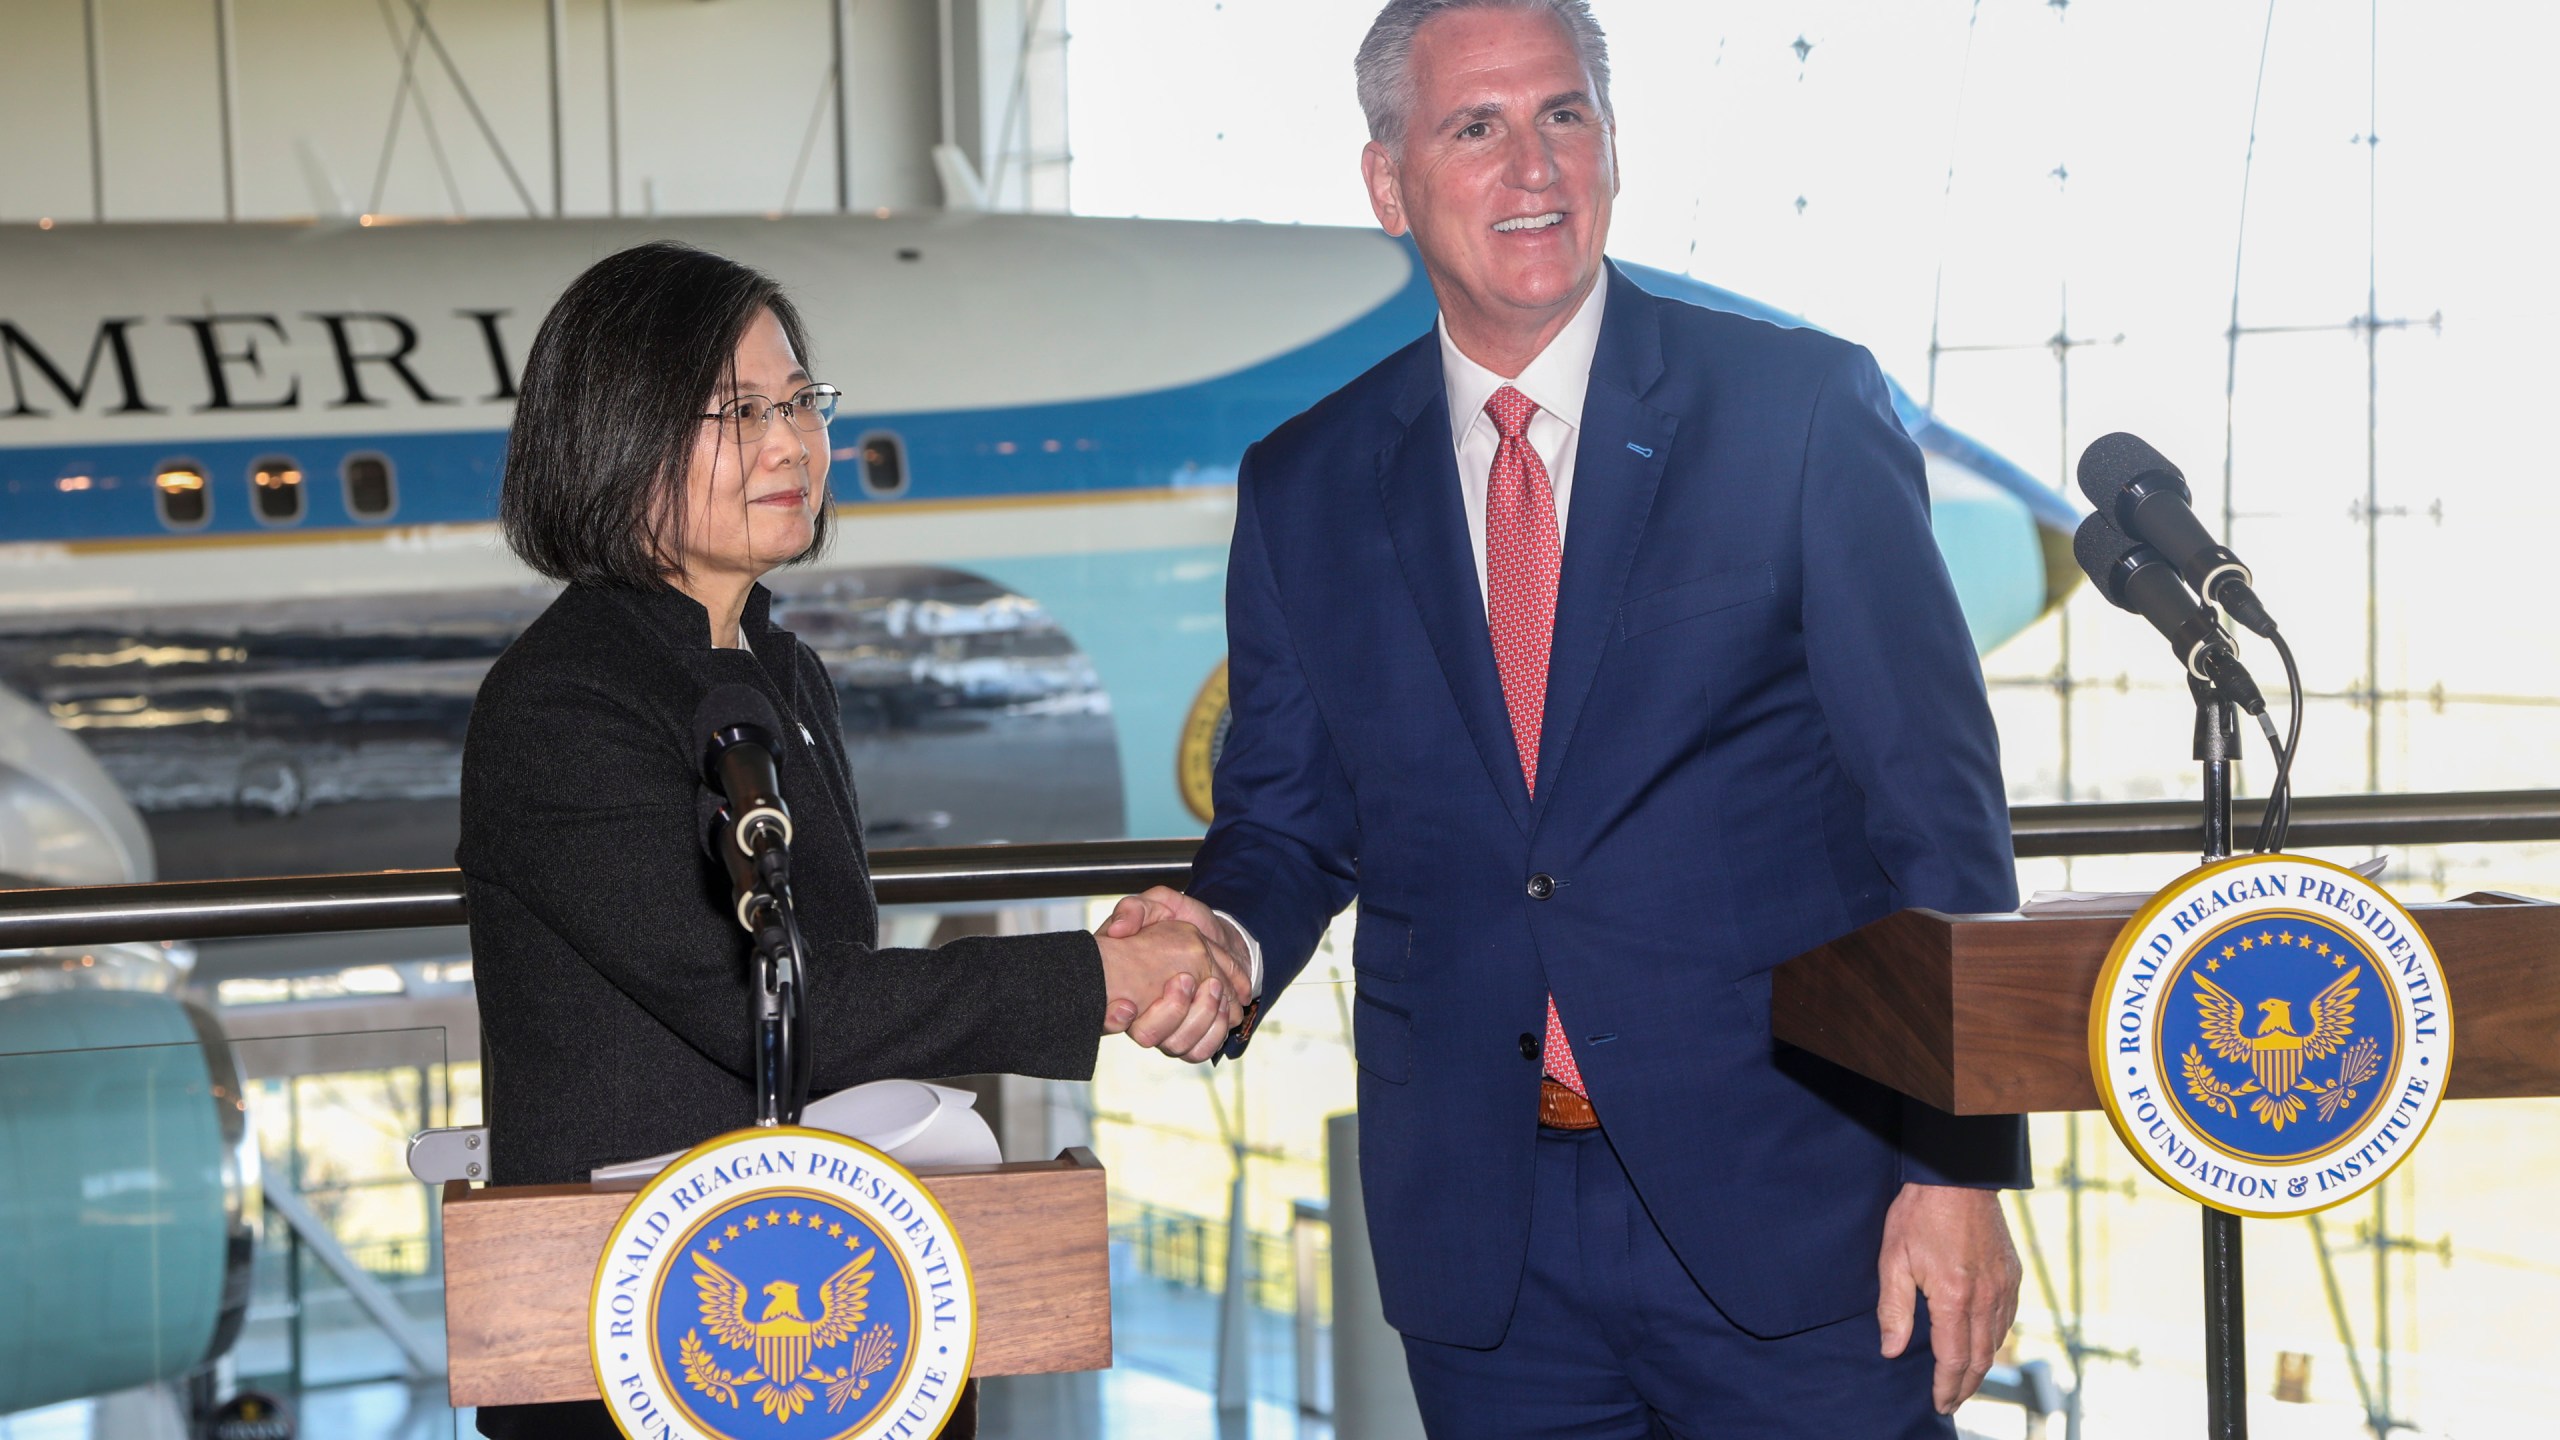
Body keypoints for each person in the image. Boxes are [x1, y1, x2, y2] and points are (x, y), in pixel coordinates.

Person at [1103, 2, 2028, 1434]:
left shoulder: (1795, 411)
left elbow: (1937, 813)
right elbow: (1288, 819)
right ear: (1388, 183)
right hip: (1488, 1244)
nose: (1534, 167)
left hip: (1801, 1213)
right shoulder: (1308, 484)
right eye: (1476, 126)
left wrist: (1954, 1165)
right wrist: (1221, 938)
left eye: (1565, 115)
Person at [458, 241, 1245, 1440]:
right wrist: (1093, 977)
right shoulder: (566, 701)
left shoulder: (775, 663)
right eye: (736, 412)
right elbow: (756, 1001)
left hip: (831, 1305)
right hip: (647, 1337)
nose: (791, 445)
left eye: (799, 403)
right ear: (611, 436)